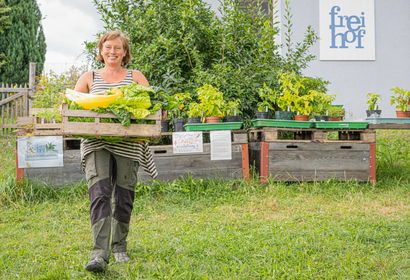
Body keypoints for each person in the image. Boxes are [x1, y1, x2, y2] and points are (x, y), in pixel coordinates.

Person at [73, 30, 158, 272]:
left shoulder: (136, 76)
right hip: (96, 142)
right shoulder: (89, 77)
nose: (112, 51)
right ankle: (99, 254)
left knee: (123, 196)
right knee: (99, 194)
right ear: (100, 51)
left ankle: (119, 246)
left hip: (128, 144)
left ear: (125, 53)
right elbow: (74, 105)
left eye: (118, 48)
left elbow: (151, 107)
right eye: (108, 47)